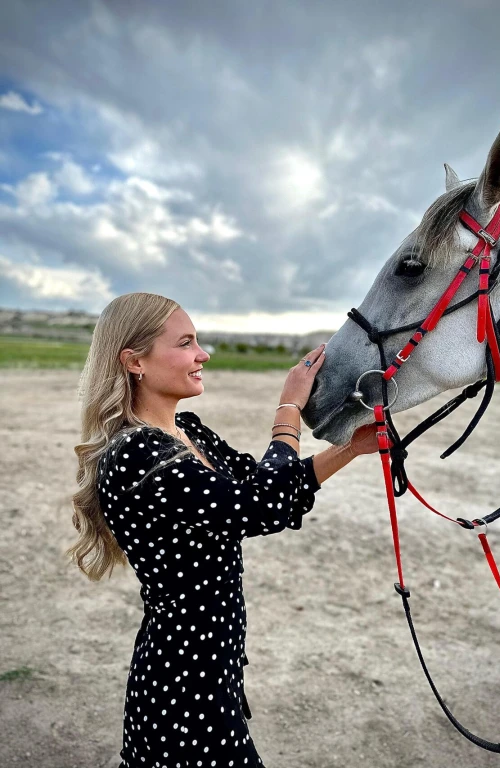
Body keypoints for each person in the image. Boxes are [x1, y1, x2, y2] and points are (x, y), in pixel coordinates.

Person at [67, 292, 379, 768]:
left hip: (215, 670)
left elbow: (272, 484)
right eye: (186, 343)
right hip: (182, 687)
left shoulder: (188, 432)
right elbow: (260, 506)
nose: (202, 354)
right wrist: (288, 409)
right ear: (134, 362)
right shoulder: (135, 454)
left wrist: (352, 448)